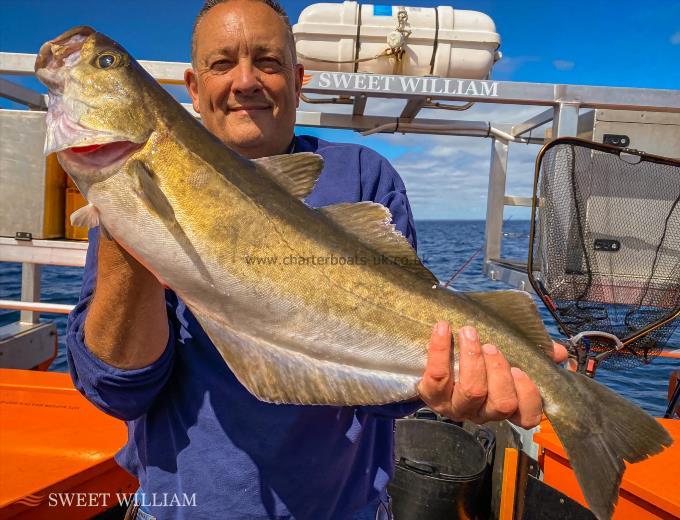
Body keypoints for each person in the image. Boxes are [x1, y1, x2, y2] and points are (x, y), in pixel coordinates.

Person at [66, 1, 567, 519]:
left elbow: (391, 392)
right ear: (193, 88)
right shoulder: (124, 200)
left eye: (267, 61)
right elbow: (117, 390)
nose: (245, 81)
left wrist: (445, 386)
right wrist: (134, 218)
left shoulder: (362, 178)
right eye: (222, 64)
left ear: (299, 79)